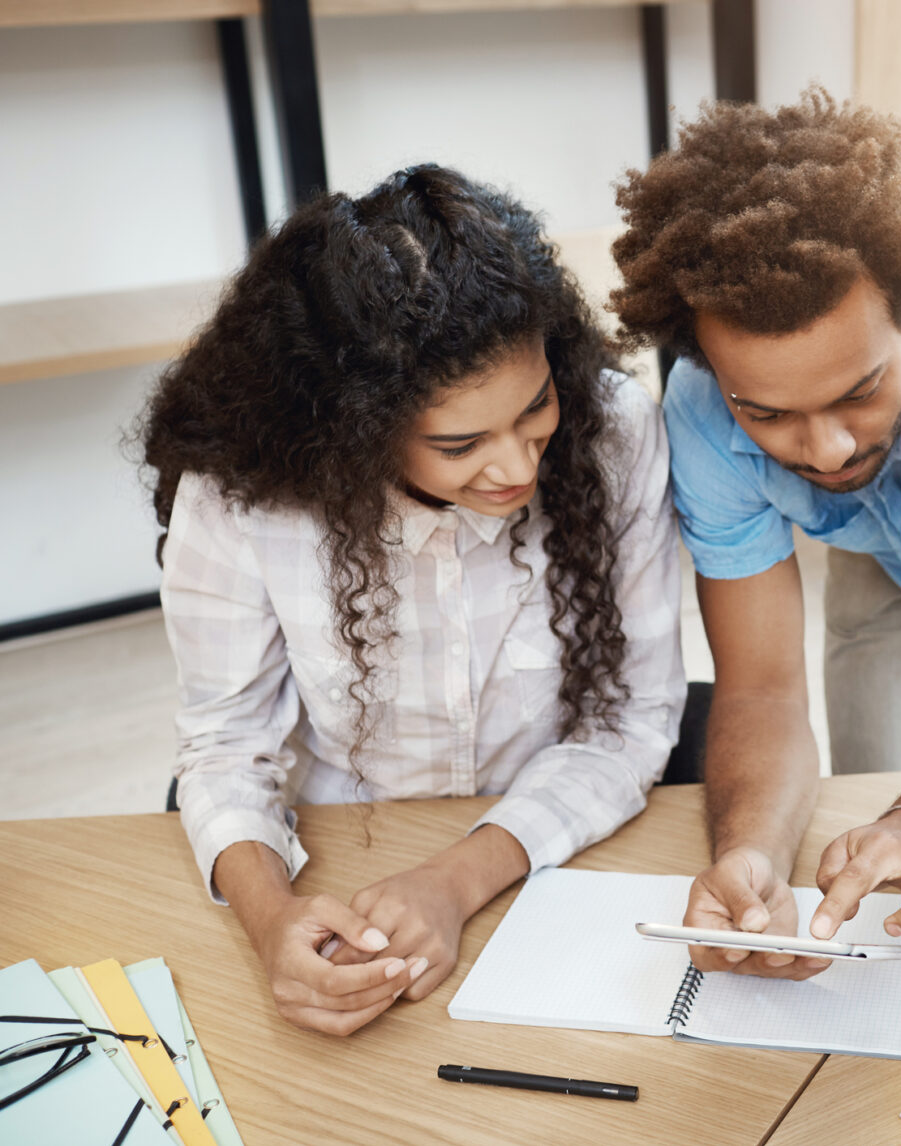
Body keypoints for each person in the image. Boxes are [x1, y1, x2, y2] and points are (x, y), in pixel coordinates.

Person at [139, 165, 685, 1036]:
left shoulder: (613, 428)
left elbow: (630, 720)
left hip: (542, 854)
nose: (517, 467)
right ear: (354, 426)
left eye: (535, 406)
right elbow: (223, 746)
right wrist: (274, 918)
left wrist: (456, 880)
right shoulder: (243, 494)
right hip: (339, 861)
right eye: (461, 442)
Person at [609, 89, 901, 979]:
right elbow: (765, 689)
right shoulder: (700, 416)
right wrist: (749, 856)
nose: (829, 448)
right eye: (768, 413)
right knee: (874, 804)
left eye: (859, 390)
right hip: (888, 563)